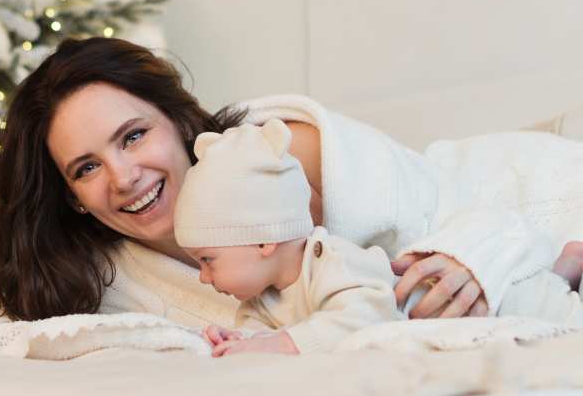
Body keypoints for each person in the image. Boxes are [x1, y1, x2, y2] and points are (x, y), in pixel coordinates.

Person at [0, 36, 583, 332]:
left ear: (180, 122)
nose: (123, 176)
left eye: (133, 135)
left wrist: (478, 258)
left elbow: (458, 212)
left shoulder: (284, 154)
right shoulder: (105, 271)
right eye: (86, 168)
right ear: (71, 198)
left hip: (513, 194)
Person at [174, 119, 583, 357]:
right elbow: (260, 340)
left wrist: (282, 344)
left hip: (496, 301)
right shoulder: (261, 301)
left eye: (208, 260)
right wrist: (237, 342)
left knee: (555, 311)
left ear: (263, 240)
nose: (204, 277)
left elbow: (363, 319)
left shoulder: (334, 260)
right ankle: (565, 267)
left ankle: (566, 268)